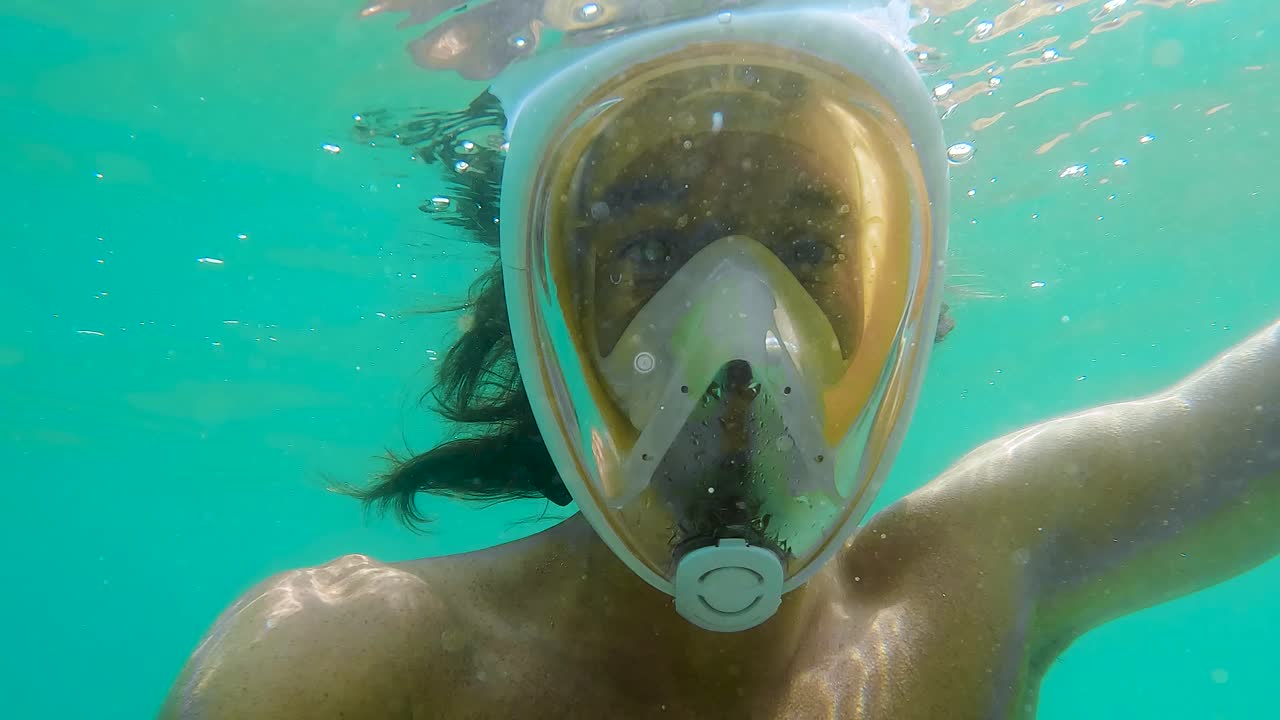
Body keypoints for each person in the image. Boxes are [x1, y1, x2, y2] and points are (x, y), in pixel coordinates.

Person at [160, 2, 1280, 718]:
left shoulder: (972, 576)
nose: (740, 326)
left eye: (804, 247)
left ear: (913, 301)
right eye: (652, 247)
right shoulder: (351, 667)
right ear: (545, 306)